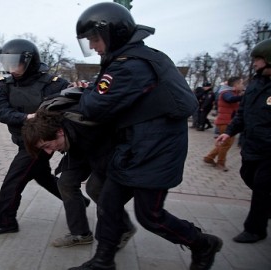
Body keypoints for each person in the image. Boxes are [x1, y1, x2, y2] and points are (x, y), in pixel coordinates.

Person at [70, 3, 222, 270]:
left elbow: (94, 106)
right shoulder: (130, 59)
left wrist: (83, 95)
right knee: (108, 202)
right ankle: (103, 261)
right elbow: (99, 96)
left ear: (113, 33)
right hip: (135, 145)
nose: (93, 46)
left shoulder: (131, 65)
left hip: (155, 149)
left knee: (150, 215)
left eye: (94, 39)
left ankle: (203, 243)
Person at [0, 39, 69, 235]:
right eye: (7, 63)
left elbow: (66, 108)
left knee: (14, 181)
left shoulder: (54, 84)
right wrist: (26, 117)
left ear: (29, 61)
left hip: (40, 144)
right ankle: (77, 200)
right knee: (43, 177)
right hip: (22, 141)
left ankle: (5, 222)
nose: (10, 68)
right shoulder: (5, 84)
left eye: (15, 63)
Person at [22, 107, 136, 248]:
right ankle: (81, 234)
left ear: (60, 132)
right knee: (65, 183)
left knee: (95, 188)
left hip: (104, 152)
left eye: (47, 145)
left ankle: (124, 228)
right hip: (78, 149)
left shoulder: (88, 128)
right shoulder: (62, 132)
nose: (49, 151)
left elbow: (106, 163)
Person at [216, 38, 271, 244]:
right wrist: (229, 132)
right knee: (247, 174)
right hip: (252, 144)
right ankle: (266, 206)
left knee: (261, 185)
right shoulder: (256, 83)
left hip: (269, 148)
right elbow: (243, 113)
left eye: (258, 59)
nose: (254, 63)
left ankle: (255, 229)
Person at [203, 76, 244, 171]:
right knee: (226, 144)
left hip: (228, 121)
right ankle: (220, 163)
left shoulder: (232, 92)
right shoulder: (226, 93)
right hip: (225, 121)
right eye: (241, 83)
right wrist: (244, 96)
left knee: (224, 143)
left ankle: (209, 158)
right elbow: (230, 99)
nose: (243, 86)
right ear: (235, 85)